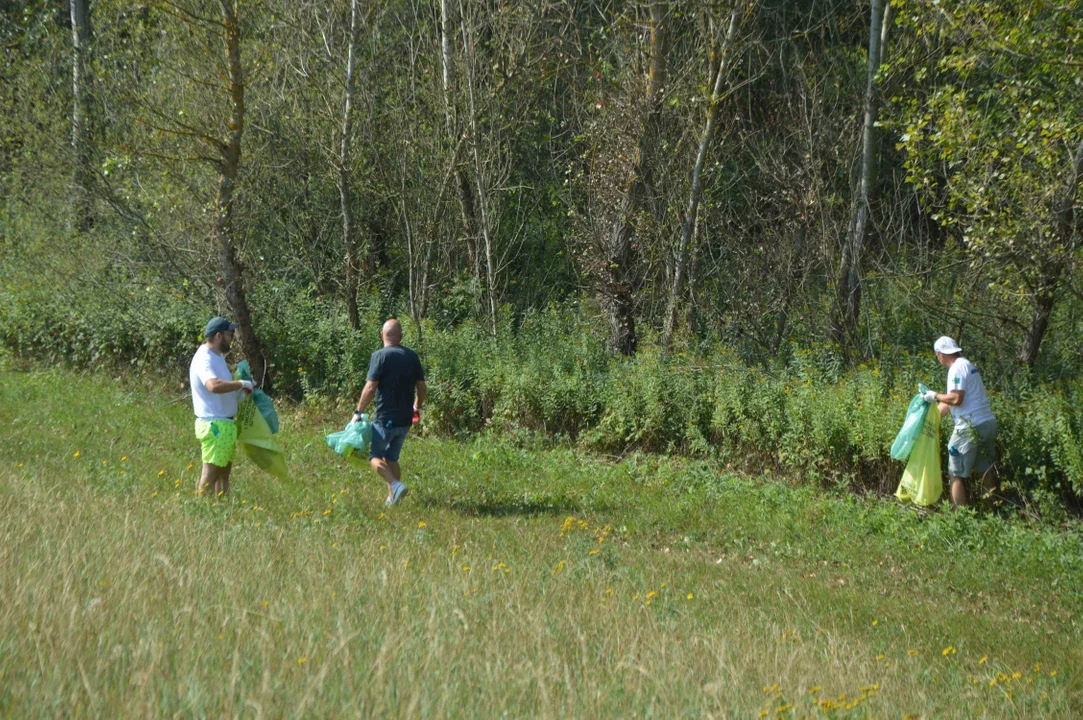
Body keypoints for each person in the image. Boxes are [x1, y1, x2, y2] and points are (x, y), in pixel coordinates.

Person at [352, 318, 426, 506]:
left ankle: (395, 485)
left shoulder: (380, 356)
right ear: (400, 336)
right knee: (391, 458)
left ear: (381, 336)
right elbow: (422, 388)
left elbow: (370, 388)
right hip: (405, 420)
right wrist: (416, 407)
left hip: (386, 419)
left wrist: (358, 412)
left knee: (374, 457)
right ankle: (394, 498)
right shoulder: (412, 356)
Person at [922, 336, 997, 508]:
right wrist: (931, 420)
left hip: (970, 428)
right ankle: (992, 510)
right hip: (987, 424)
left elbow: (956, 399)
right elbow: (951, 404)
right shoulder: (967, 365)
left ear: (940, 354)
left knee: (954, 474)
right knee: (985, 470)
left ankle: (960, 518)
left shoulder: (955, 368)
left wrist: (934, 396)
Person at [189, 316, 254, 497]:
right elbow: (213, 385)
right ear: (219, 336)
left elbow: (223, 386)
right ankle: (203, 512)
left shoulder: (217, 357)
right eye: (230, 334)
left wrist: (241, 390)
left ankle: (222, 511)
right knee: (211, 475)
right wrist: (240, 384)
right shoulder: (205, 358)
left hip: (225, 424)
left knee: (224, 475)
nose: (232, 338)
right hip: (214, 425)